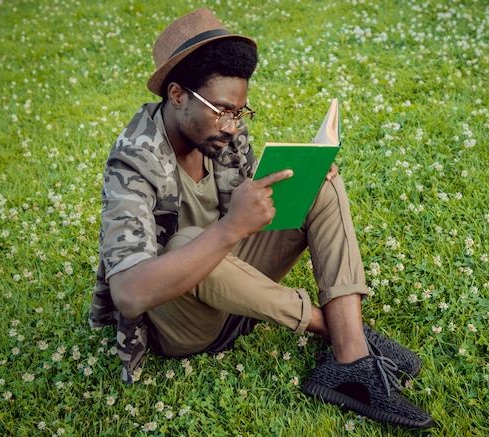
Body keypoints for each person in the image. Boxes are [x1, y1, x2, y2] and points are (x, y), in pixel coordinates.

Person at [89, 8, 434, 429]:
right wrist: (231, 226)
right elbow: (128, 292)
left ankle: (350, 362)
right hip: (183, 324)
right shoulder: (132, 160)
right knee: (185, 242)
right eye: (222, 111)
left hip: (239, 292)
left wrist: (302, 180)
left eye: (239, 112)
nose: (233, 126)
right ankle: (341, 331)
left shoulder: (220, 133)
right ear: (177, 94)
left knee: (319, 187)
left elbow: (255, 208)